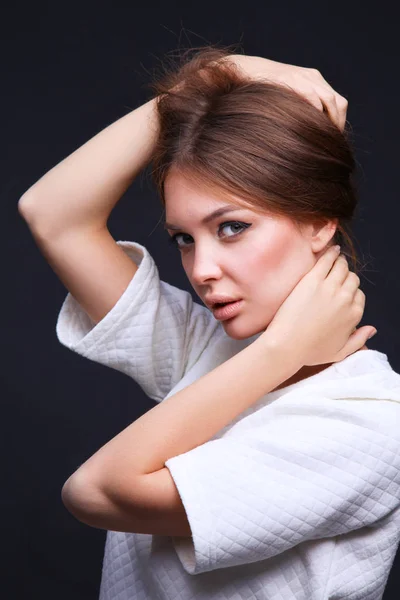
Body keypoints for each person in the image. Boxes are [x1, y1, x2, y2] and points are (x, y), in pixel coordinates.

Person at [19, 46, 400, 600]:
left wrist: (278, 355)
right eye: (184, 239)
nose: (202, 270)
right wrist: (221, 74)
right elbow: (52, 213)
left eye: (232, 228)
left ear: (320, 224)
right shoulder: (212, 349)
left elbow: (96, 492)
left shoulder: (372, 424)